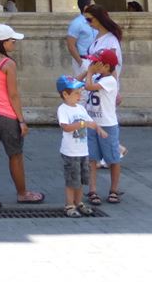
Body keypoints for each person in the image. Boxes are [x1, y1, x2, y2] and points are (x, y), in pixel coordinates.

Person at [0, 23, 44, 209]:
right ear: (3, 42)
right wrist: (21, 120)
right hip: (5, 115)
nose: (14, 44)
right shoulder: (8, 64)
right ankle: (23, 193)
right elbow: (13, 95)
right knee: (15, 156)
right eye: (12, 41)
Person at [55, 75, 106, 217]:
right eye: (76, 93)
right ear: (65, 94)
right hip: (70, 152)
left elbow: (91, 122)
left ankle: (78, 202)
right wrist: (82, 124)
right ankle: (69, 205)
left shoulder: (81, 109)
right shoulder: (63, 109)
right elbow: (66, 127)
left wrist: (99, 129)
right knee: (72, 180)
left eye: (80, 92)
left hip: (83, 151)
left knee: (82, 179)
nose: (80, 96)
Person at [83, 48, 123, 206]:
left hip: (107, 125)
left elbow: (89, 87)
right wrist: (89, 72)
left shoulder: (110, 80)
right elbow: (79, 82)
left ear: (106, 67)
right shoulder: (96, 77)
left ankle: (114, 189)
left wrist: (89, 72)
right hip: (92, 123)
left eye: (96, 63)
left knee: (113, 158)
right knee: (92, 158)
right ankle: (92, 190)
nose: (92, 64)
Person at [65, 0, 96, 75]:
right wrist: (81, 63)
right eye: (93, 5)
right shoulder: (76, 23)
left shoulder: (96, 21)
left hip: (96, 60)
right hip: (84, 60)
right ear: (86, 7)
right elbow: (71, 45)